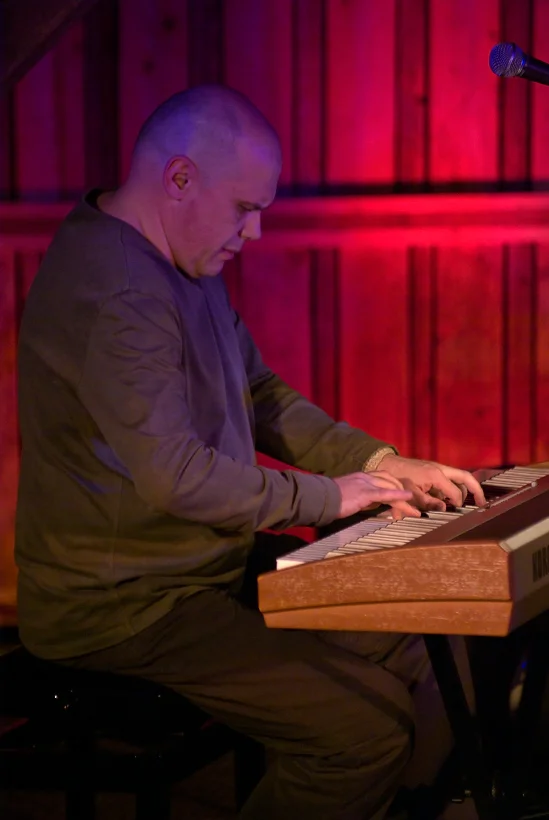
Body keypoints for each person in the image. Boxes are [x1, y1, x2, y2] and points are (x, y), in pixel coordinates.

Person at [15, 85, 485, 819]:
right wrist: (331, 495)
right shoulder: (120, 293)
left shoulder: (179, 262)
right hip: (127, 603)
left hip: (199, 566)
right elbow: (176, 477)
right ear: (179, 178)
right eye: (244, 208)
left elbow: (258, 394)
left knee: (429, 637)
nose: (256, 231)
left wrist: (379, 463)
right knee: (361, 733)